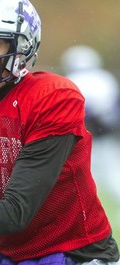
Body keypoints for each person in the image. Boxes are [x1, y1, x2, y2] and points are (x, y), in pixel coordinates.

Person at [0, 0, 120, 265]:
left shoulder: (53, 96)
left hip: (76, 252)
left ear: (22, 47)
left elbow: (16, 211)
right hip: (10, 254)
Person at [61, 45, 120, 221]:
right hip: (107, 133)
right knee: (111, 172)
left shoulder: (72, 80)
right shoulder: (106, 78)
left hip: (82, 136)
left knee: (83, 177)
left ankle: (86, 215)